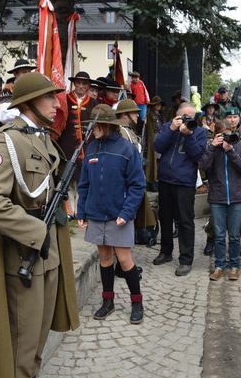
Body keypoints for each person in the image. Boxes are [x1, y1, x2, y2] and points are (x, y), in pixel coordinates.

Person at [0, 72, 79, 378]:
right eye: (49, 97)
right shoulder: (8, 142)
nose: (56, 104)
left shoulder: (40, 137)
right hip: (24, 258)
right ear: (30, 102)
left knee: (37, 341)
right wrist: (34, 232)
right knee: (22, 345)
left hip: (48, 258)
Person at [76, 104, 146, 324]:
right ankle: (108, 302)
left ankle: (137, 303)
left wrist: (127, 212)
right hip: (96, 215)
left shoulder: (127, 149)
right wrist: (82, 210)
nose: (92, 129)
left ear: (106, 125)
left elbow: (138, 185)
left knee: (124, 260)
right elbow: (84, 184)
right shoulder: (92, 148)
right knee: (105, 259)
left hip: (119, 216)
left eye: (95, 125)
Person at [152, 102, 207, 276]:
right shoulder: (169, 127)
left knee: (185, 221)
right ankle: (166, 252)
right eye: (185, 116)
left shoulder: (199, 131)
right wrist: (172, 129)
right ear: (177, 115)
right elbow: (158, 146)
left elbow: (198, 155)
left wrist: (188, 135)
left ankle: (185, 260)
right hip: (166, 179)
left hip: (185, 182)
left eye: (192, 117)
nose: (188, 120)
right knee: (165, 218)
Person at [199, 120, 241, 281]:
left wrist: (231, 152)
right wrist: (212, 147)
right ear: (217, 135)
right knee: (219, 236)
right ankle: (219, 266)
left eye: (230, 134)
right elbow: (203, 166)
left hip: (237, 198)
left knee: (235, 235)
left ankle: (234, 266)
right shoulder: (212, 148)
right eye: (223, 134)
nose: (227, 137)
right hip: (218, 197)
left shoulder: (240, 146)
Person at [115, 99, 158, 243]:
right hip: (126, 181)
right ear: (124, 114)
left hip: (134, 179)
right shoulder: (120, 132)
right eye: (134, 112)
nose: (137, 115)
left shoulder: (129, 131)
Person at [57, 71, 97, 212]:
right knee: (68, 180)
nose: (80, 86)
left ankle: (80, 210)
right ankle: (70, 211)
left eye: (84, 83)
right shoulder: (64, 101)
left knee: (83, 181)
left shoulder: (94, 104)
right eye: (78, 83)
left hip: (87, 149)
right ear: (74, 84)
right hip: (66, 147)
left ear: (88, 86)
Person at [145, 96, 165, 191]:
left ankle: (156, 180)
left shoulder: (160, 115)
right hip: (153, 139)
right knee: (153, 160)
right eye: (157, 104)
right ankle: (151, 181)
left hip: (159, 138)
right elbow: (149, 130)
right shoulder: (150, 115)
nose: (158, 106)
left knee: (158, 161)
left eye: (159, 104)